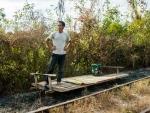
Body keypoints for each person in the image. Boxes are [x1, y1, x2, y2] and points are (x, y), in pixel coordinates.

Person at [45, 21, 71, 86]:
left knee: (60, 69)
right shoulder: (54, 33)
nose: (58, 26)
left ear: (63, 26)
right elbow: (46, 40)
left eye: (60, 25)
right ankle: (47, 82)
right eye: (58, 25)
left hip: (63, 54)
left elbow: (70, 41)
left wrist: (67, 47)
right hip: (55, 54)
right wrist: (50, 47)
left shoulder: (66, 34)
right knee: (51, 68)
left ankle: (58, 81)